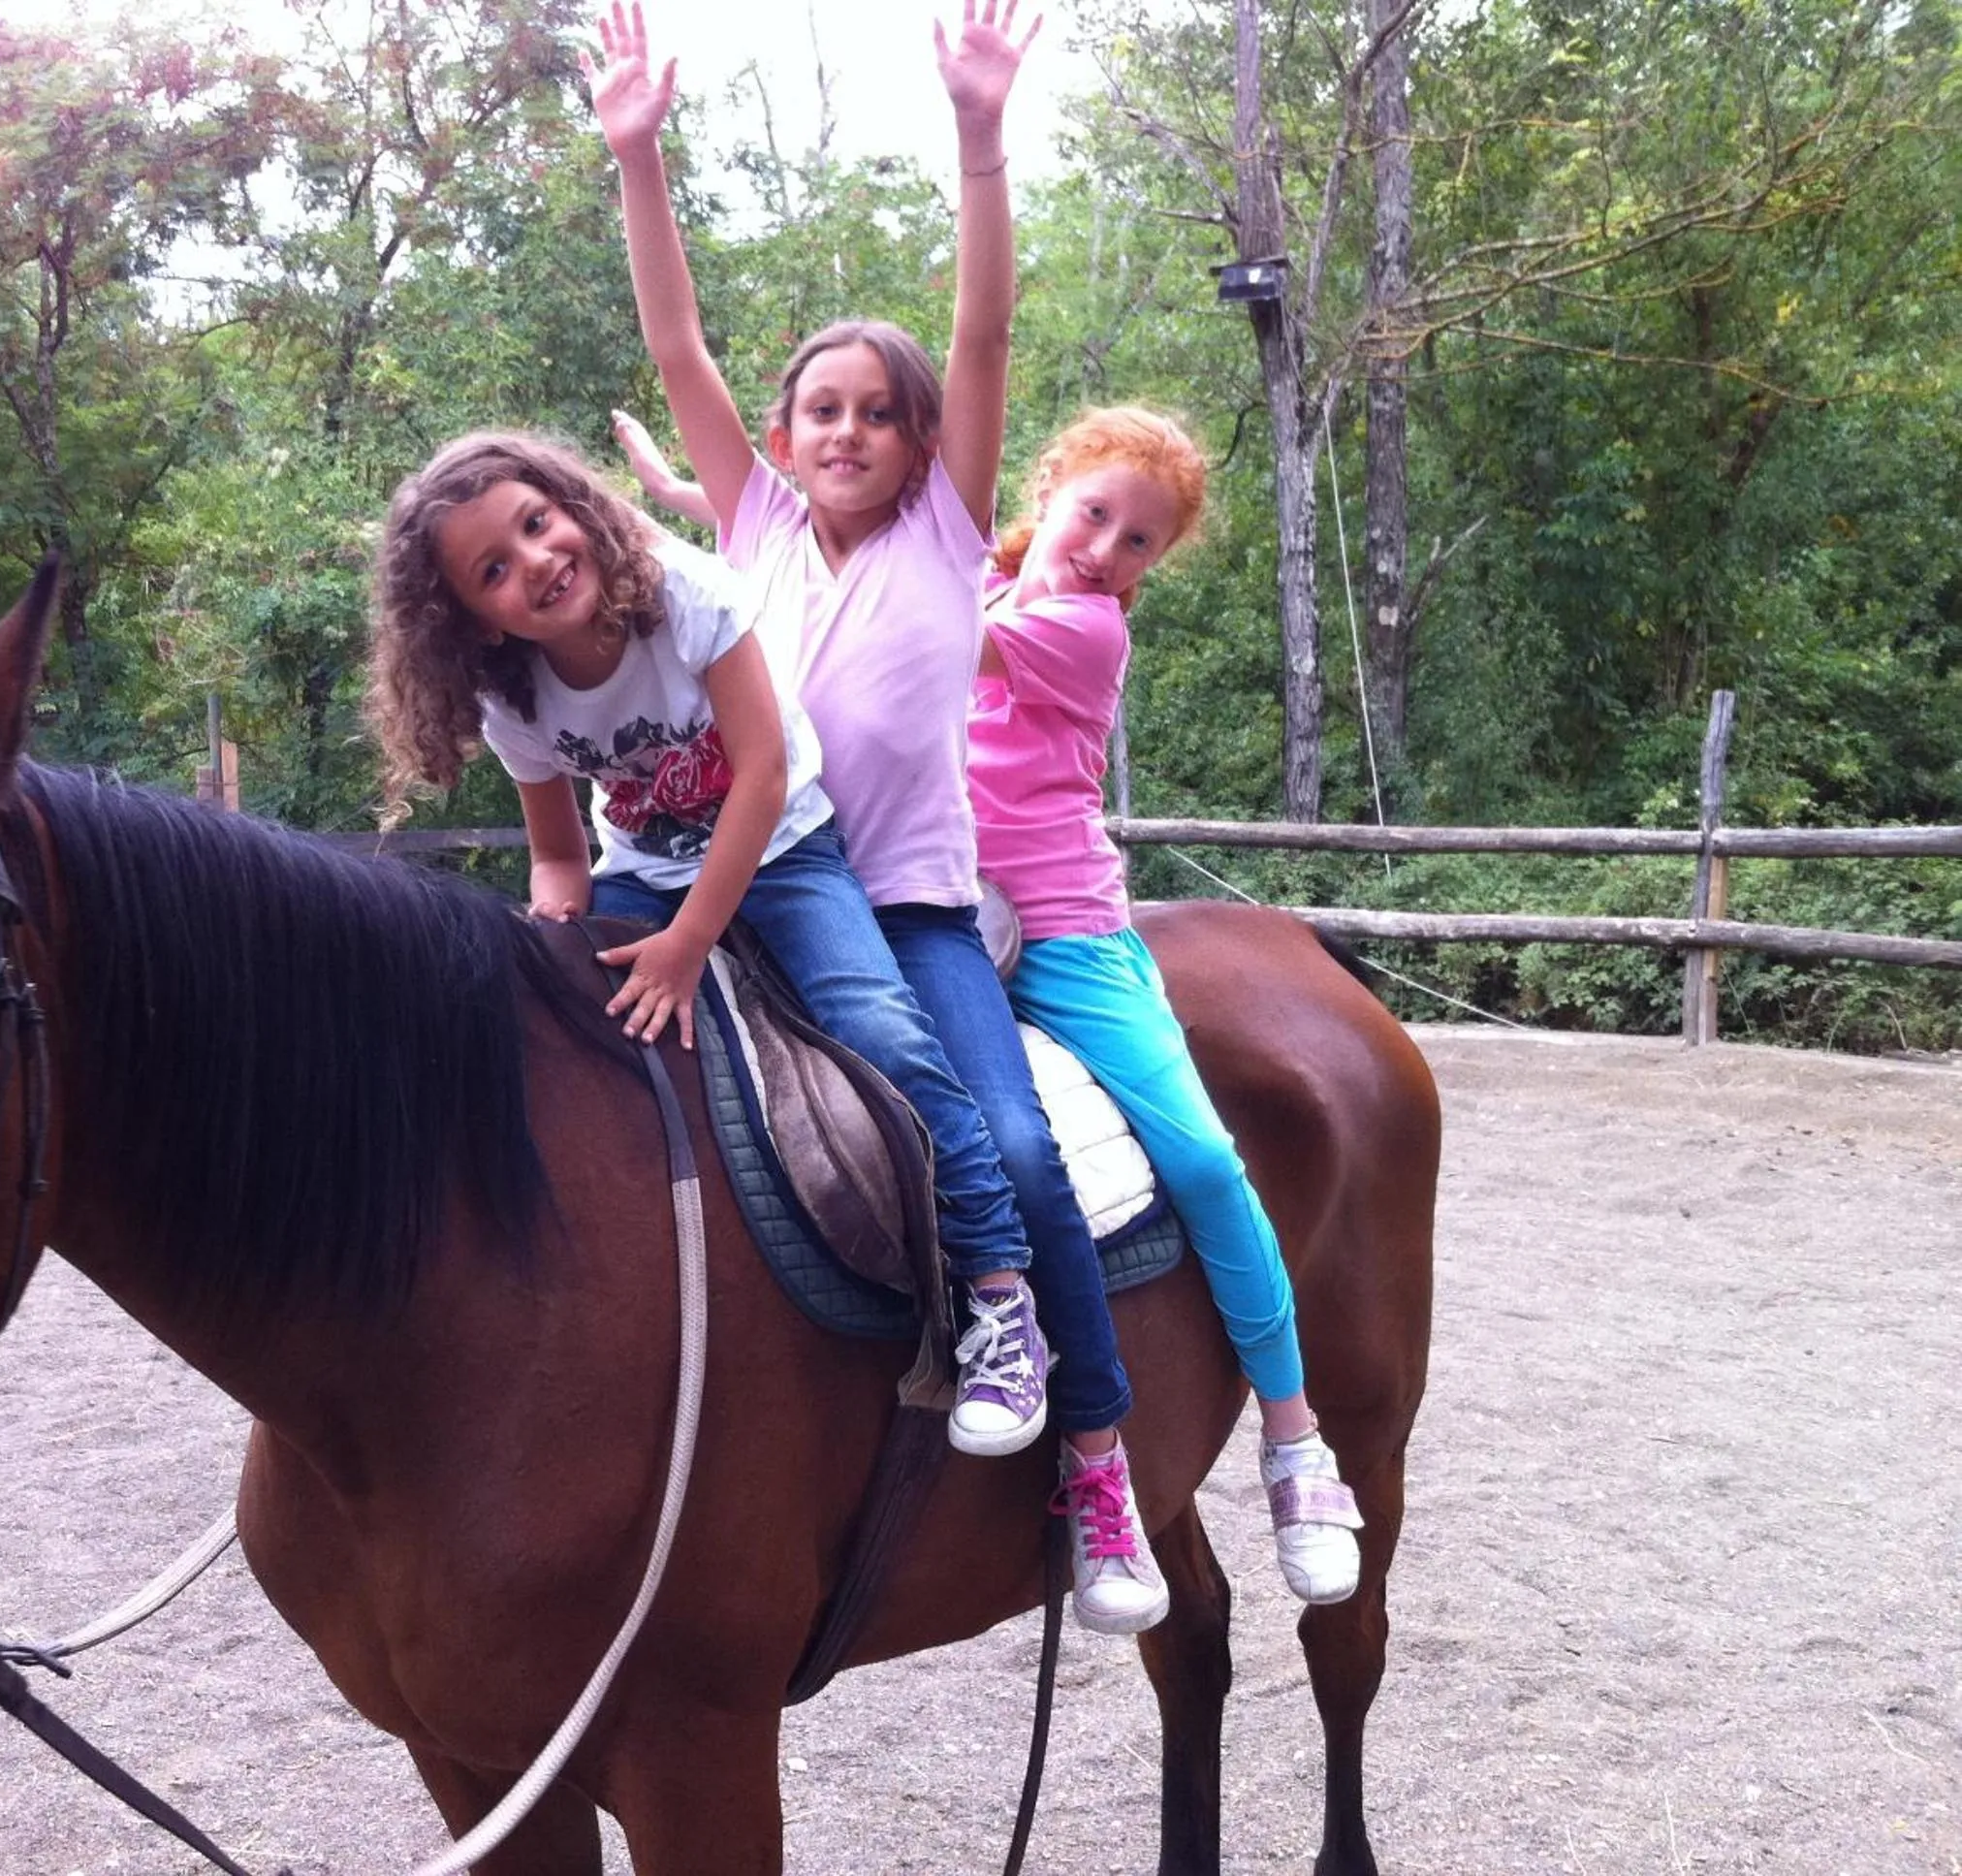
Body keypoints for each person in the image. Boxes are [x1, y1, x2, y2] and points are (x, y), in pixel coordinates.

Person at [588, 1, 1173, 1635]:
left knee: (1006, 1146)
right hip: (728, 876)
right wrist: (638, 156)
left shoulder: (945, 535)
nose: (843, 429)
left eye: (876, 411)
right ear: (778, 442)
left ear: (922, 443)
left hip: (904, 908)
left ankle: (1098, 1459)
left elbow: (981, 333)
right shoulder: (754, 528)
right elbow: (677, 353)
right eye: (819, 409)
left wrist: (981, 139)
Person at [366, 430, 1061, 1447]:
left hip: (784, 849)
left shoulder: (683, 594)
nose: (537, 562)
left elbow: (765, 772)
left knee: (881, 1027)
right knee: (540, 1036)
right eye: (494, 571)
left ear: (573, 503)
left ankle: (999, 1292)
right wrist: (548, 938)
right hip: (643, 870)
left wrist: (690, 942)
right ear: (467, 617)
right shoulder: (512, 696)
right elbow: (559, 858)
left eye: (536, 522)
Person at [971, 405, 1363, 1604]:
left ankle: (1296, 1440)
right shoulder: (985, 588)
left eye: (1139, 541)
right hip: (941, 926)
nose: (1105, 548)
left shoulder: (1078, 633)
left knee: (1201, 1165)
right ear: (1051, 489)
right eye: (1094, 513)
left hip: (1070, 944)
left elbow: (900, 627)